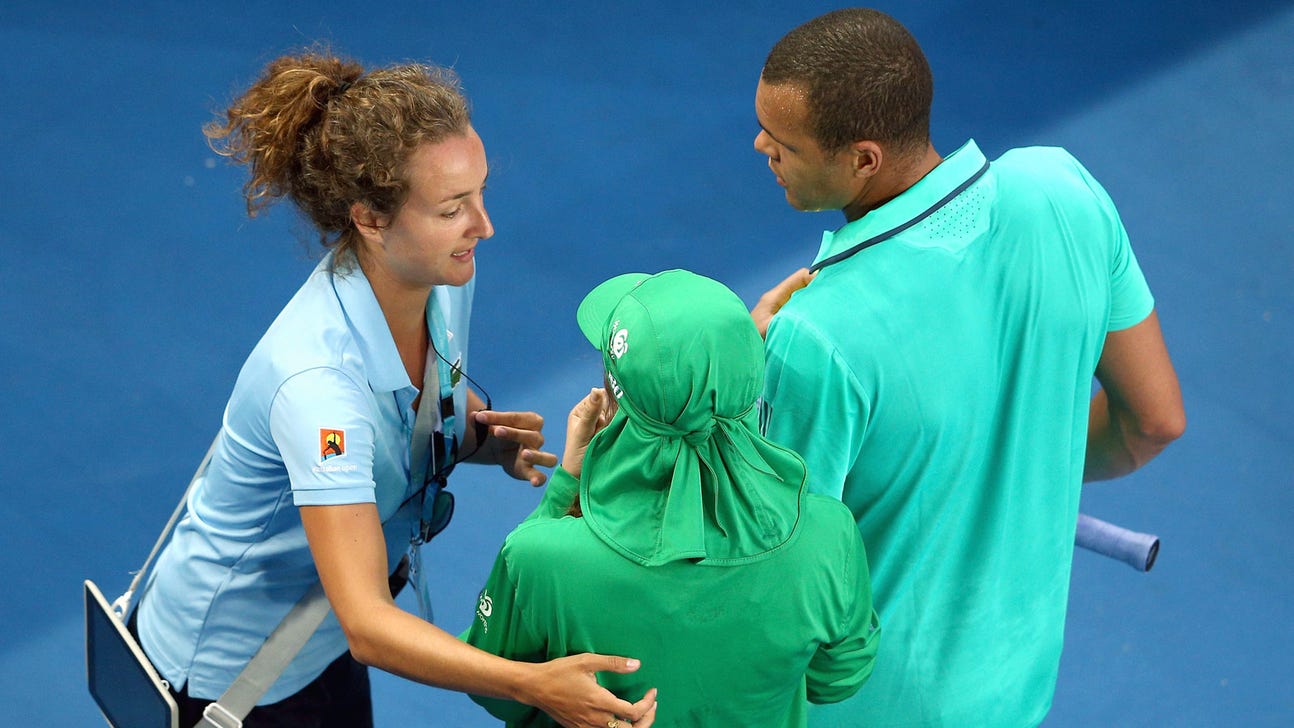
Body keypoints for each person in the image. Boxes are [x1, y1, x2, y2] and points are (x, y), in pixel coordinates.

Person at [134, 50, 656, 728]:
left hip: (315, 636)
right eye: (451, 208)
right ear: (370, 218)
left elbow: (417, 401)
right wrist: (533, 684)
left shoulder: (437, 279)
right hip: (233, 685)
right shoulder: (320, 390)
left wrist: (475, 438)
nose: (484, 226)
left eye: (481, 193)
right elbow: (371, 628)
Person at [749, 9, 1186, 726]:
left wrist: (737, 377)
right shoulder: (1064, 189)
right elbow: (1154, 423)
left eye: (784, 141)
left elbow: (769, 583)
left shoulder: (812, 335)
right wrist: (1015, 469)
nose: (761, 144)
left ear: (864, 159)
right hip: (1013, 694)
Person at [462, 270, 881, 726]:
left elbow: (498, 690)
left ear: (612, 402)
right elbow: (837, 679)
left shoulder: (538, 557)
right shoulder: (828, 532)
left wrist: (564, 487)